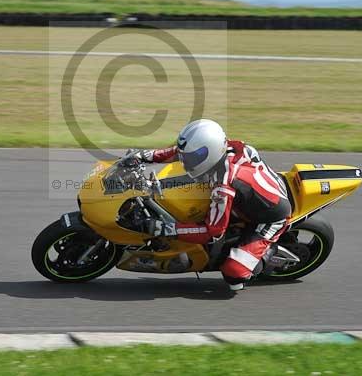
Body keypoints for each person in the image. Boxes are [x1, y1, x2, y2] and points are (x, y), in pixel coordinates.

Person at [122, 119, 291, 291]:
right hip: (257, 192)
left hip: (271, 216)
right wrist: (142, 156)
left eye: (193, 157)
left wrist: (164, 228)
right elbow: (178, 152)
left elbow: (212, 233)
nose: (185, 162)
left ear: (210, 152)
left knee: (234, 275)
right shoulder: (226, 148)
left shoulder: (223, 187)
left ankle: (267, 253)